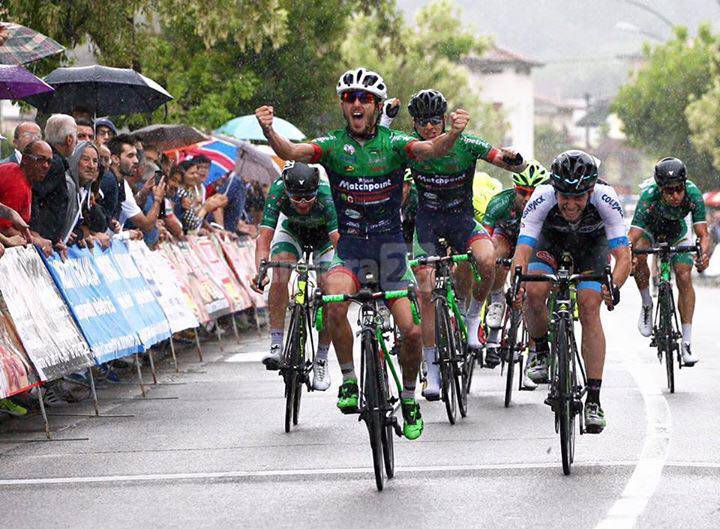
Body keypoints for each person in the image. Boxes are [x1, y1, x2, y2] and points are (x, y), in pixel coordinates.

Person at [256, 67, 472, 440]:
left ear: (375, 106)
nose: (357, 104)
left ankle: (407, 398)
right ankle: (349, 380)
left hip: (389, 250)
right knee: (332, 302)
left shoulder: (394, 143)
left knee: (412, 331)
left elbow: (432, 149)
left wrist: (453, 133)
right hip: (351, 250)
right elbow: (291, 152)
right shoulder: (333, 146)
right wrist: (268, 130)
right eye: (349, 98)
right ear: (343, 105)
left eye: (365, 99)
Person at [389, 89, 526, 400]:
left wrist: (515, 159)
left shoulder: (466, 143)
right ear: (416, 124)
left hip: (462, 221)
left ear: (444, 119)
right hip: (427, 223)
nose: (429, 128)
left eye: (434, 121)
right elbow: (376, 146)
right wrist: (385, 116)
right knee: (425, 287)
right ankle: (433, 370)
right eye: (422, 123)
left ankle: (473, 316)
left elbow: (507, 162)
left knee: (488, 258)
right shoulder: (410, 148)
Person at [512, 150, 631, 433]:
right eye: (564, 196)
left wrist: (613, 285)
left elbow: (623, 256)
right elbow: (523, 248)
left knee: (590, 307)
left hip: (591, 247)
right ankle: (540, 350)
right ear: (555, 189)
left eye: (578, 197)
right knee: (534, 288)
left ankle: (593, 399)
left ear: (591, 190)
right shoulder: (542, 197)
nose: (570, 204)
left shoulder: (606, 197)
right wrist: (516, 281)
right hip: (550, 244)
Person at [253, 162, 339, 391]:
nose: (302, 203)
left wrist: (342, 272)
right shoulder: (278, 190)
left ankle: (321, 359)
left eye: (308, 198)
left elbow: (338, 241)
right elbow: (263, 238)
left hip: (324, 237)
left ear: (315, 191)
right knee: (280, 272)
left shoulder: (325, 193)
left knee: (331, 289)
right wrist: (261, 271)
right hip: (292, 230)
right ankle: (276, 344)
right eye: (296, 198)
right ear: (287, 191)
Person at [629, 157, 710, 366]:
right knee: (639, 255)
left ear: (684, 185)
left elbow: (702, 234)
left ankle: (687, 343)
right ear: (659, 188)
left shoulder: (693, 194)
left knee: (684, 276)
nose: (675, 195)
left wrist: (703, 255)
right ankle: (647, 303)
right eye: (669, 191)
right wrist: (628, 256)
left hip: (677, 233)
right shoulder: (648, 196)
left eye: (678, 189)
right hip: (651, 231)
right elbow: (633, 235)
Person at [481, 160, 550, 373]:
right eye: (522, 192)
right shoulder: (500, 203)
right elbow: (483, 238)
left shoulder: (549, 205)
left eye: (533, 192)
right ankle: (497, 299)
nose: (528, 198)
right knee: (495, 251)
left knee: (533, 292)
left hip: (534, 244)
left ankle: (534, 354)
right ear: (514, 189)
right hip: (507, 238)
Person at [0, 140, 56, 255]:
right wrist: (36, 242)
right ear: (25, 159)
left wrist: (37, 237)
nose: (45, 166)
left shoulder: (16, 172)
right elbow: (4, 228)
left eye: (49, 162)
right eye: (40, 160)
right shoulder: (17, 185)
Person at [104, 134, 165, 233]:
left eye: (136, 155)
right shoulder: (108, 181)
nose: (136, 161)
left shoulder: (121, 182)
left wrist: (143, 193)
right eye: (130, 156)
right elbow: (146, 226)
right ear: (115, 159)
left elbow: (128, 205)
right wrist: (158, 199)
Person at [30, 114, 76, 245]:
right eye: (77, 136)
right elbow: (34, 195)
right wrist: (35, 234)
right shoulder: (53, 163)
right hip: (40, 243)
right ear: (69, 139)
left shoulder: (55, 161)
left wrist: (56, 239)